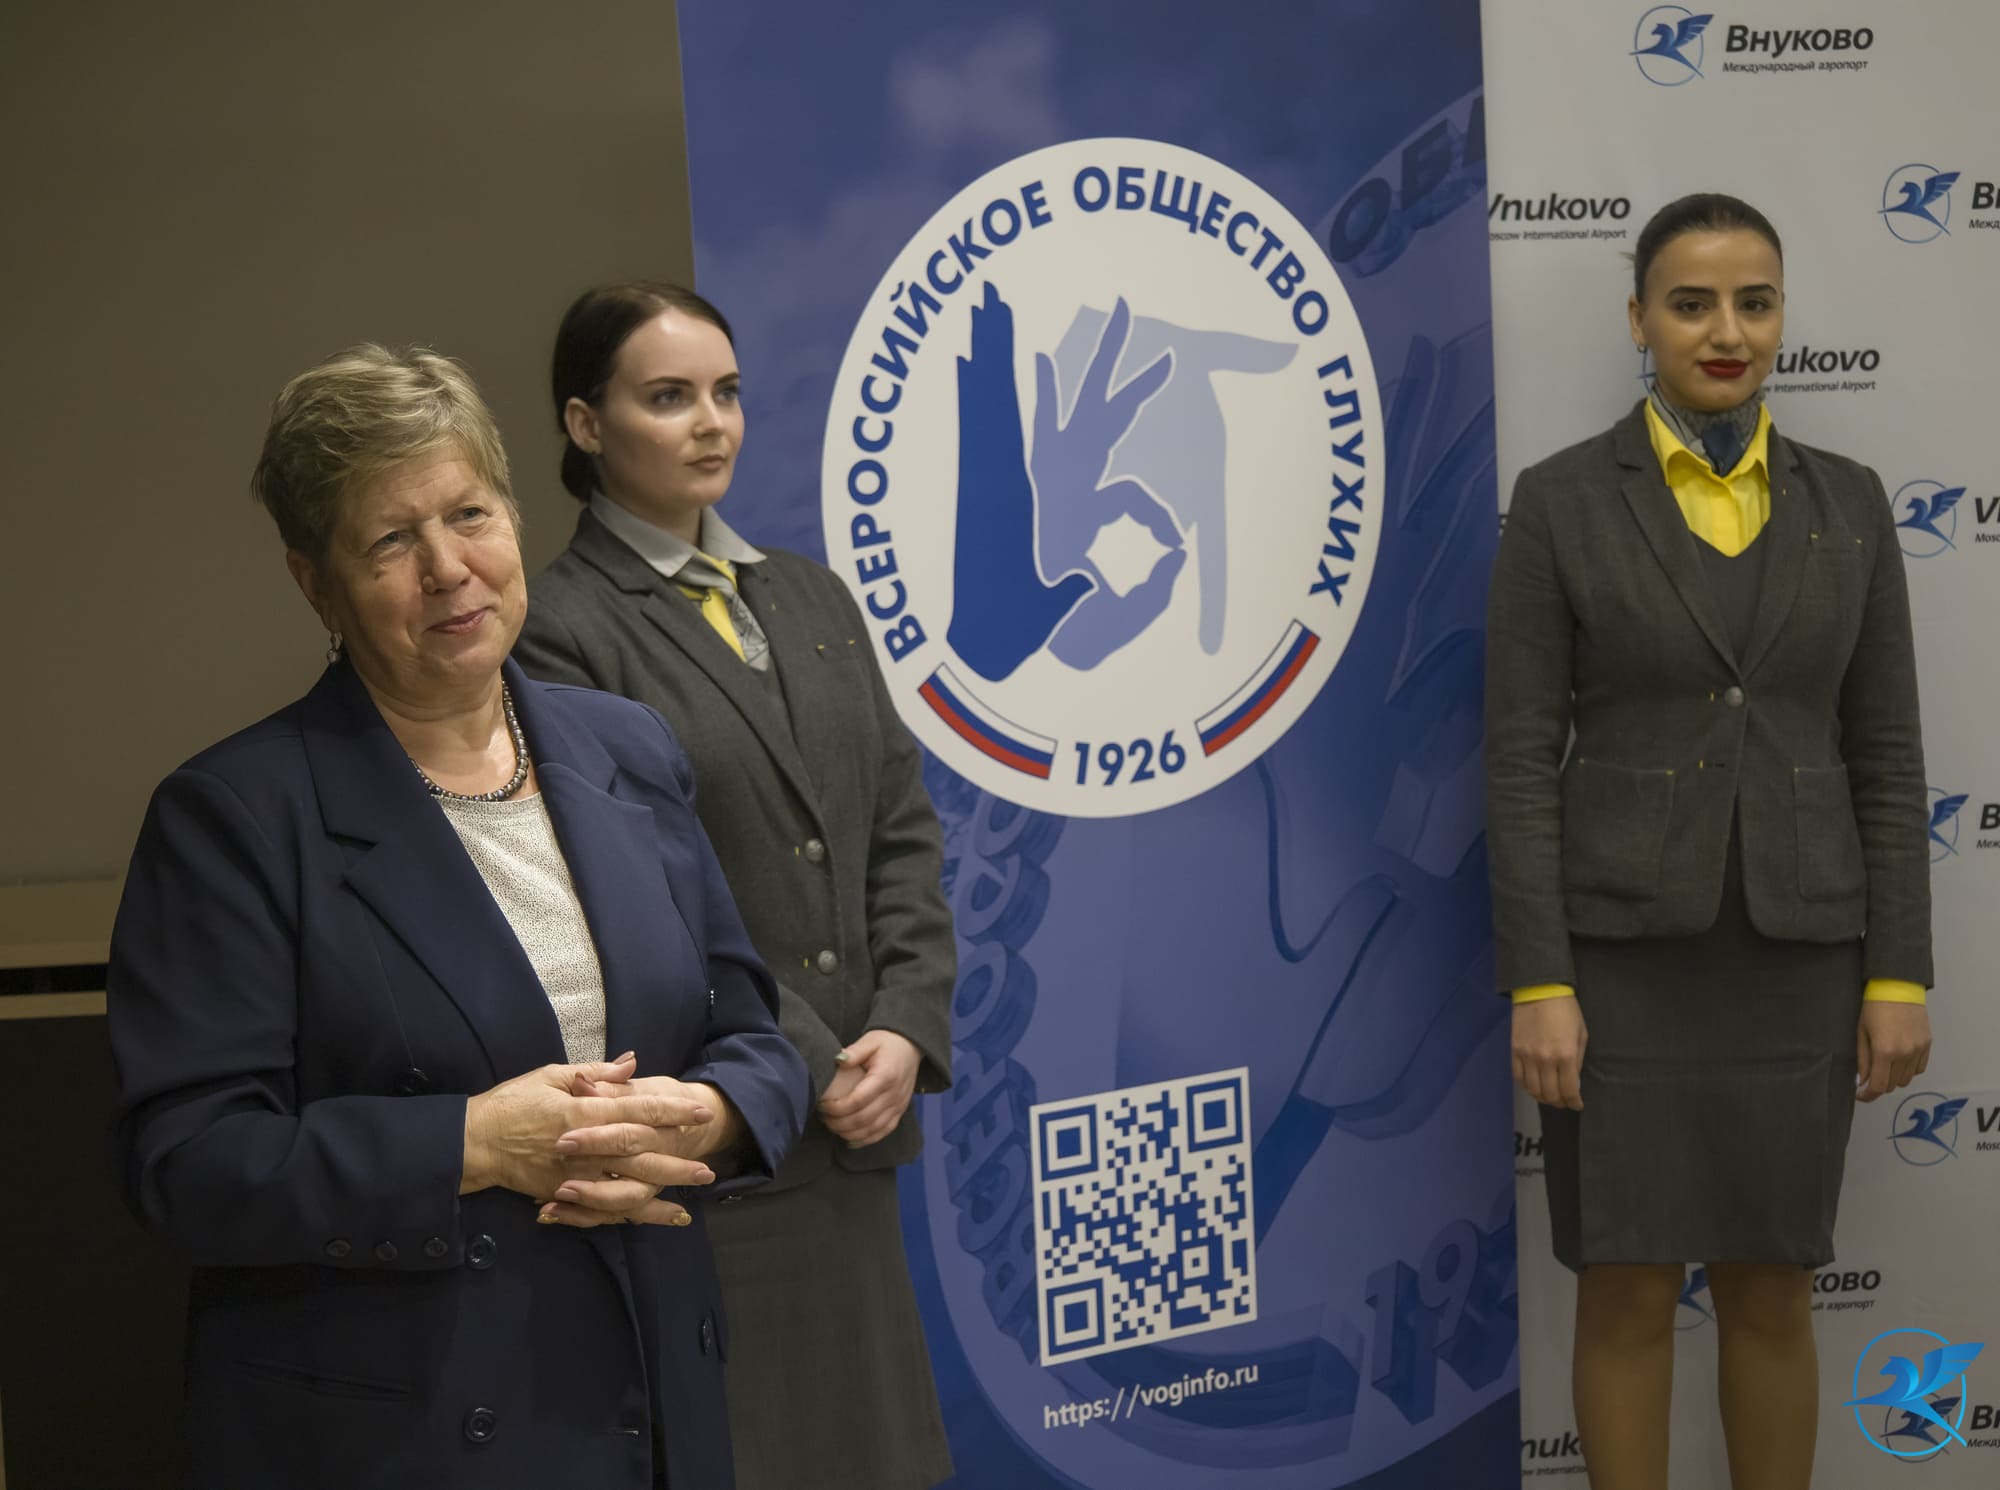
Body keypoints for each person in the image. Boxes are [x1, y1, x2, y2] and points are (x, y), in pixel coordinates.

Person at [107, 345, 808, 1490]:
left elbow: (751, 1031)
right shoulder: (234, 815)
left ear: (513, 516)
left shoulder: (628, 746)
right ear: (315, 583)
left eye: (469, 513)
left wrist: (713, 1115)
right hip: (410, 1432)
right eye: (391, 540)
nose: (448, 568)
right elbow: (187, 1163)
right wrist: (471, 1143)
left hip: (655, 1404)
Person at [1486, 193, 1934, 1490]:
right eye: (1691, 304)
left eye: (1753, 302)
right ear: (1638, 320)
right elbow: (1516, 758)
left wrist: (1898, 970)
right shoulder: (1560, 500)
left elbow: (1887, 755)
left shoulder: (1852, 504)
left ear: (1781, 316)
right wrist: (1540, 977)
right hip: (1618, 965)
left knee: (1772, 1287)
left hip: (1800, 957)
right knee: (1625, 1288)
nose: (1725, 330)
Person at [513, 283, 956, 1490]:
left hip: (857, 1134)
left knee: (878, 1462)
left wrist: (905, 1021)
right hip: (729, 1130)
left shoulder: (811, 595)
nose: (711, 422)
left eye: (726, 392)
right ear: (586, 423)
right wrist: (813, 1055)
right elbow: (646, 892)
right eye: (668, 397)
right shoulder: (556, 629)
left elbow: (898, 826)